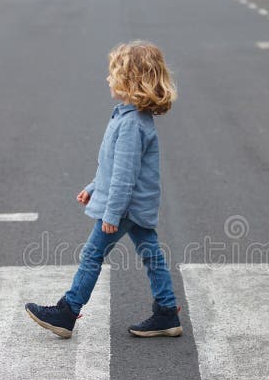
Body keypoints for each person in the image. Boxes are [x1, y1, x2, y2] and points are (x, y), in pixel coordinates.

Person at [25, 41, 183, 339]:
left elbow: (124, 177)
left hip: (124, 206)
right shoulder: (127, 117)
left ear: (130, 81)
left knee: (92, 254)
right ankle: (166, 311)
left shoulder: (131, 125)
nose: (107, 79)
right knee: (152, 255)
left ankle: (67, 312)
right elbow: (113, 166)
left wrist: (112, 212)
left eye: (113, 74)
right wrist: (94, 187)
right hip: (132, 205)